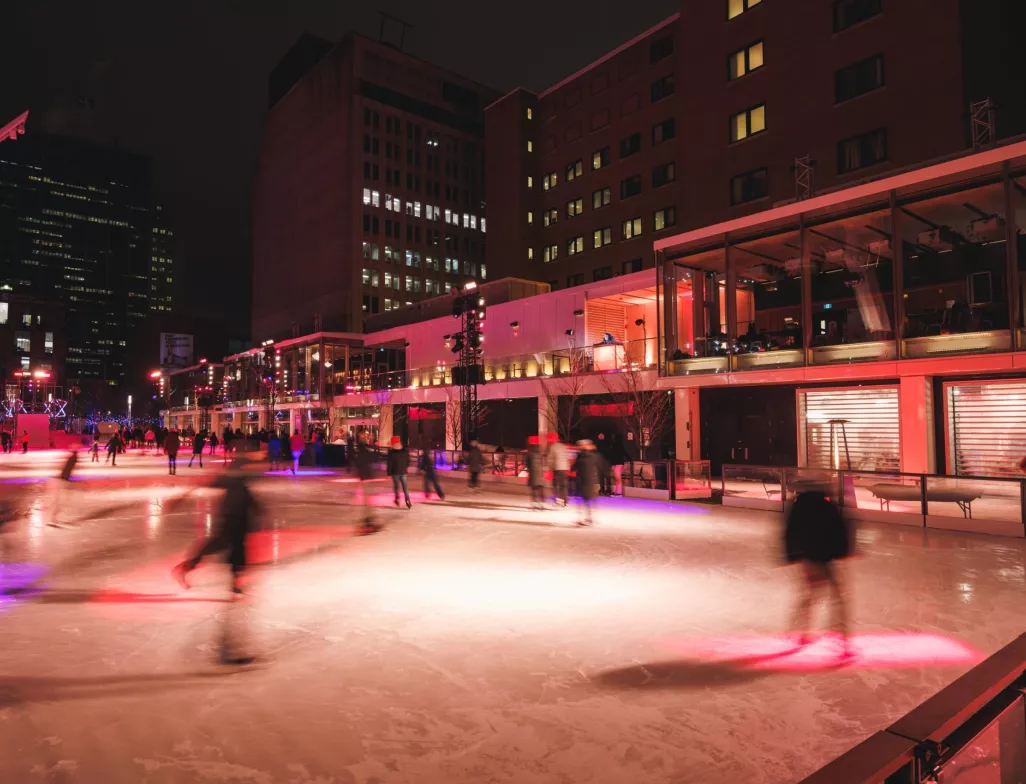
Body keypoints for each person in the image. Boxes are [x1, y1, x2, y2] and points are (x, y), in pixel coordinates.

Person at [171, 453, 262, 665]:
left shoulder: (240, 481)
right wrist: (179, 499)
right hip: (232, 527)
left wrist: (258, 513)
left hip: (237, 529)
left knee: (232, 555)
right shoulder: (233, 480)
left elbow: (252, 501)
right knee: (224, 550)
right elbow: (204, 482)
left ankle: (231, 584)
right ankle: (227, 650)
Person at [784, 487, 853, 658]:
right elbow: (840, 529)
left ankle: (802, 632)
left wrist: (792, 555)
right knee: (836, 598)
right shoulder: (827, 505)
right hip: (826, 558)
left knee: (811, 595)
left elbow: (790, 532)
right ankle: (840, 638)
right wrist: (843, 552)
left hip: (809, 558)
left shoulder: (799, 507)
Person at [355, 433, 381, 534]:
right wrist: (375, 446)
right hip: (367, 480)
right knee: (367, 503)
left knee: (367, 502)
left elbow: (357, 466)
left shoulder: (359, 453)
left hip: (363, 479)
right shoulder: (364, 453)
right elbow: (375, 457)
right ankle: (367, 522)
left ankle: (367, 521)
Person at [572, 440, 600, 527]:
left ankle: (581, 518)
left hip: (581, 482)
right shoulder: (594, 457)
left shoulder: (579, 458)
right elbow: (599, 467)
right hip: (591, 481)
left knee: (580, 501)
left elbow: (573, 468)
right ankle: (590, 518)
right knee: (588, 500)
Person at [387, 436, 412, 508]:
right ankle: (407, 500)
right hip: (403, 472)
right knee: (405, 487)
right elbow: (408, 462)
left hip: (395, 472)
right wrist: (405, 467)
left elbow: (390, 464)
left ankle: (397, 499)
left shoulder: (391, 453)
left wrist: (388, 473)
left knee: (396, 486)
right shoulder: (405, 451)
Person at [547, 432, 570, 507]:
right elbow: (567, 457)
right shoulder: (563, 446)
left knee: (557, 485)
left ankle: (559, 502)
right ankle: (566, 502)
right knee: (564, 486)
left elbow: (550, 459)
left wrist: (550, 468)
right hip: (565, 468)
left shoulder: (553, 447)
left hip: (557, 468)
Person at [526, 436, 546, 508]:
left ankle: (534, 503)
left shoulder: (529, 454)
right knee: (540, 489)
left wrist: (529, 469)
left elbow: (527, 465)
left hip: (533, 474)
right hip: (540, 474)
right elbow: (543, 463)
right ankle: (542, 504)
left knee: (534, 489)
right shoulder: (540, 454)